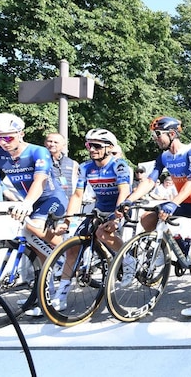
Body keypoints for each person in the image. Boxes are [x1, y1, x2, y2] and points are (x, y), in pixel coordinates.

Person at [118, 116, 191, 315]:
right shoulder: (164, 157)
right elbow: (150, 180)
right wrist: (130, 198)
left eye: (158, 134)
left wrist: (173, 202)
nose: (155, 138)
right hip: (181, 201)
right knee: (148, 217)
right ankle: (160, 252)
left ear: (172, 134)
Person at [0, 113, 68, 313]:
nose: (3, 142)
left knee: (33, 225)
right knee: (35, 246)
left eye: (8, 137)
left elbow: (40, 180)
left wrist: (27, 203)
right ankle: (44, 292)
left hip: (51, 199)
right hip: (29, 201)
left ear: (21, 134)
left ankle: (68, 251)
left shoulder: (38, 152)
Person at [51, 129, 131, 311]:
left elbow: (124, 191)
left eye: (97, 146)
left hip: (119, 206)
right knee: (73, 249)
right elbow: (77, 195)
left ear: (109, 148)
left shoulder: (118, 165)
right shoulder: (86, 167)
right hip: (99, 208)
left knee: (102, 233)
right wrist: (67, 221)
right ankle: (61, 294)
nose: (92, 149)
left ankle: (128, 259)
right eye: (89, 145)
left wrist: (117, 217)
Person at [45, 132, 79, 197]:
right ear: (45, 143)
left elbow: (76, 185)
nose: (52, 144)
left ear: (63, 145)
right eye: (50, 141)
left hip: (68, 202)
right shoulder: (39, 161)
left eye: (56, 142)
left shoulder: (73, 163)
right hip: (46, 201)